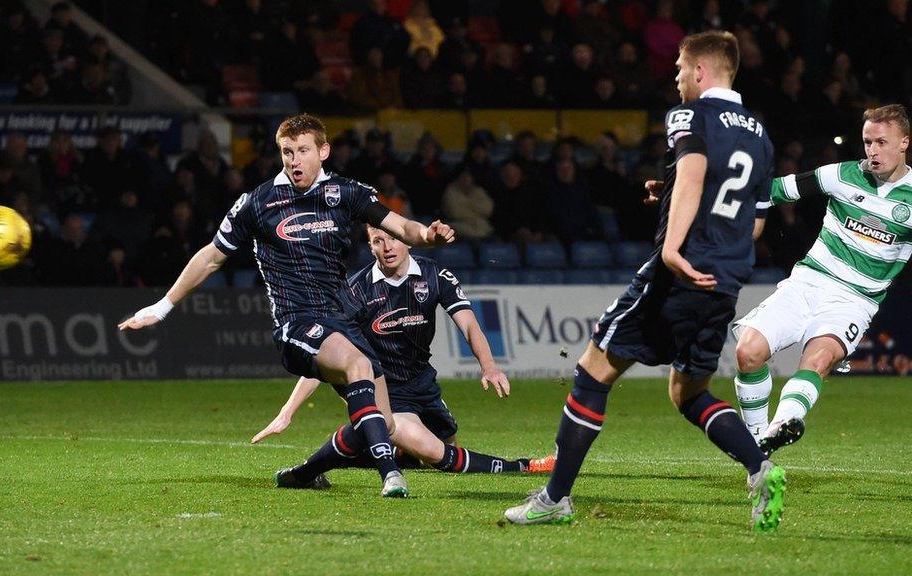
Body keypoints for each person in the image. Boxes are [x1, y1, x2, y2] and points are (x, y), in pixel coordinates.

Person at [503, 31, 786, 532]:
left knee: (593, 371)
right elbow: (754, 220)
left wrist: (674, 247)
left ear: (701, 71)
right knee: (688, 392)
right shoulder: (760, 136)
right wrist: (675, 193)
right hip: (725, 279)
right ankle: (758, 466)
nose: (676, 77)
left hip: (678, 272)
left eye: (679, 67)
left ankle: (555, 498)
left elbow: (696, 170)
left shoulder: (689, 116)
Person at [119, 114, 456, 498]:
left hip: (342, 320)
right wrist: (163, 306)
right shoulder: (258, 203)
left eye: (303, 151)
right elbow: (212, 257)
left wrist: (428, 235)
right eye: (287, 152)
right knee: (358, 365)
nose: (294, 160)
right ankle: (391, 475)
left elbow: (402, 226)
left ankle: (303, 474)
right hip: (297, 325)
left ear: (323, 151)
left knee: (385, 423)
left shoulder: (345, 193)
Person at [733, 104, 912, 455]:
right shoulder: (841, 175)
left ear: (904, 142)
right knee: (747, 352)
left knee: (817, 361)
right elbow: (775, 190)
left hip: (853, 301)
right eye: (867, 142)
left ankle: (779, 429)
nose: (873, 151)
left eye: (882, 142)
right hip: (807, 283)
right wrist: (688, 192)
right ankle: (756, 448)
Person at [255, 226, 554, 483]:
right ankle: (525, 465)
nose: (387, 247)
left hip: (423, 384)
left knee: (436, 445)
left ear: (408, 240)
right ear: (370, 246)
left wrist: (489, 366)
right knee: (438, 455)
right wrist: (287, 412)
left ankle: (363, 446)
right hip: (384, 392)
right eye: (377, 241)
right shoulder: (355, 292)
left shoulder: (435, 275)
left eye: (394, 238)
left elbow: (469, 325)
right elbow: (328, 359)